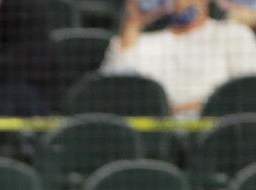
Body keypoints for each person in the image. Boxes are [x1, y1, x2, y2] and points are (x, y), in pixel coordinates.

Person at [102, 0, 256, 117]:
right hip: (158, 138)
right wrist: (133, 24)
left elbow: (246, 93)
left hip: (215, 131)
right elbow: (113, 89)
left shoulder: (233, 33)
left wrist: (194, 109)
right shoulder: (144, 43)